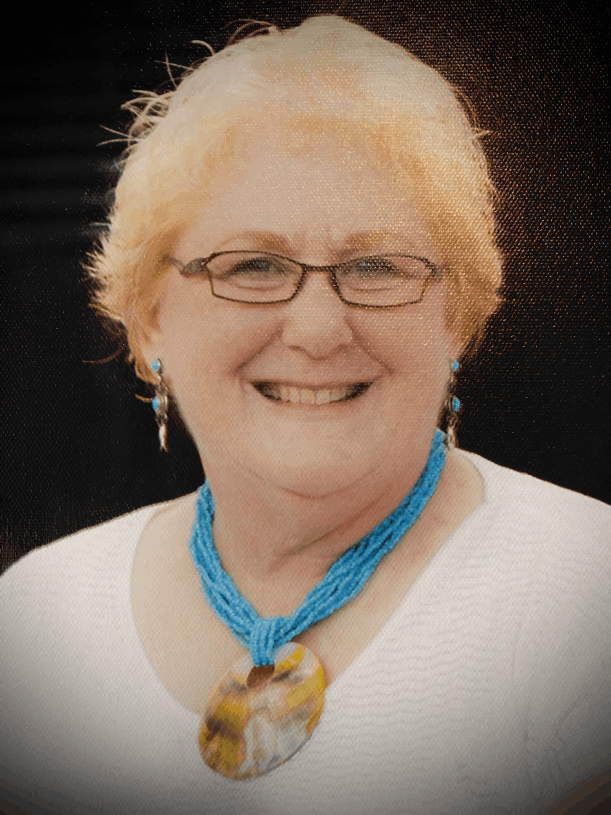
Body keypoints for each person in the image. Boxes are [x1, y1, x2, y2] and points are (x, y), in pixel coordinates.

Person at [1, 15, 609, 815]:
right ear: (148, 320)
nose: (319, 330)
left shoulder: (586, 599)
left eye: (375, 265)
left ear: (454, 315)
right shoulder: (34, 615)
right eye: (252, 265)